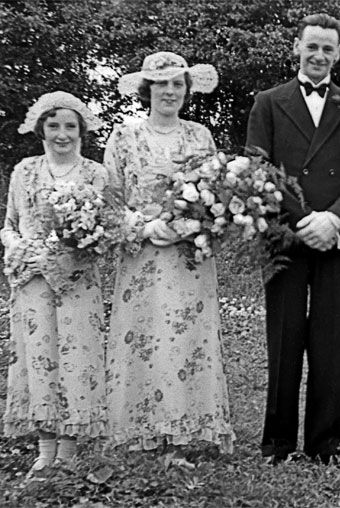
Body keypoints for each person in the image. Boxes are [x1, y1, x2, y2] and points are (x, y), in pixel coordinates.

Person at [245, 13, 340, 464]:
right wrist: (304, 220)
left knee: (329, 339)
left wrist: (335, 220)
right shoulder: (268, 101)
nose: (319, 55)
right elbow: (259, 170)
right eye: (312, 46)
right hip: (285, 235)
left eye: (328, 48)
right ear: (297, 48)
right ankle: (277, 443)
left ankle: (324, 445)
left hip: (335, 238)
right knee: (282, 339)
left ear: (338, 54)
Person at [104, 51, 234, 466]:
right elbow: (109, 202)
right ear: (148, 89)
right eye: (162, 84)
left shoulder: (200, 136)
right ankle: (143, 431)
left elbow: (217, 197)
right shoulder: (124, 138)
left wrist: (189, 225)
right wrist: (142, 227)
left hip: (187, 260)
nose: (170, 91)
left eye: (178, 83)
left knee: (184, 340)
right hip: (141, 260)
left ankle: (179, 436)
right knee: (142, 339)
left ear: (186, 90)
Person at [0, 91, 108, 475]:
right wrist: (18, 246)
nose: (62, 134)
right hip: (31, 281)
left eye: (69, 126)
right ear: (40, 128)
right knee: (40, 359)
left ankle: (68, 450)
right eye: (53, 125)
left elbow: (105, 229)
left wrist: (78, 244)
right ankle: (45, 450)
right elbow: (9, 224)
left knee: (75, 361)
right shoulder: (24, 171)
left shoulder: (96, 174)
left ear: (81, 131)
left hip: (76, 280)